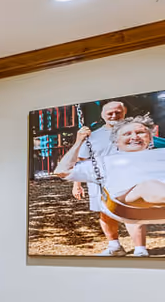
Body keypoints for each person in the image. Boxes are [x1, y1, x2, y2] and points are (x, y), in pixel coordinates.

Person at [55, 115, 165, 256]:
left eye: (140, 133)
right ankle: (125, 247)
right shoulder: (105, 162)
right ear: (116, 142)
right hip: (125, 199)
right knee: (148, 185)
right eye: (127, 134)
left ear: (150, 137)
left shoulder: (161, 154)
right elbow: (62, 171)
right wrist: (78, 142)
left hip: (158, 196)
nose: (134, 137)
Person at [65, 101, 145, 256]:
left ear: (124, 113)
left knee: (133, 214)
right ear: (102, 114)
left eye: (118, 112)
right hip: (99, 182)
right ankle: (114, 246)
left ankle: (140, 249)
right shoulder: (93, 136)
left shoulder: (136, 131)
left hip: (129, 179)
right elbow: (82, 161)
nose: (114, 116)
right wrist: (77, 184)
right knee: (105, 213)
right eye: (110, 113)